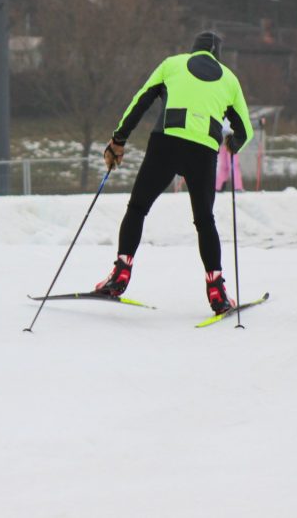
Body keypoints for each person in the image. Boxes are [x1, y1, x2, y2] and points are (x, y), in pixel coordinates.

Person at [95, 31, 253, 315]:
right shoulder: (229, 79)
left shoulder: (172, 64)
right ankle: (216, 290)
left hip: (166, 141)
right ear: (218, 55)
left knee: (138, 207)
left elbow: (140, 101)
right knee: (205, 221)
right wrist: (233, 142)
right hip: (203, 151)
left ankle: (121, 271)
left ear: (193, 50)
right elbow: (246, 131)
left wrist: (118, 140)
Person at [215, 125, 244, 192]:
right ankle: (237, 187)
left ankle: (219, 186)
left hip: (223, 137)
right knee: (233, 164)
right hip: (230, 139)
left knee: (225, 165)